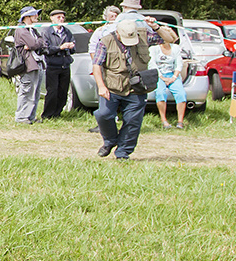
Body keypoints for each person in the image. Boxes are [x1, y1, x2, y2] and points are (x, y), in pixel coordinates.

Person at [91, 15, 177, 159]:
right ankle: (110, 140)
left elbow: (171, 39)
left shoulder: (144, 36)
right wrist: (101, 86)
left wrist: (156, 27)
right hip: (112, 87)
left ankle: (123, 153)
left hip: (136, 88)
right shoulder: (105, 41)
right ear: (118, 33)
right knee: (103, 114)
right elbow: (96, 65)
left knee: (133, 122)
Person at [10, 5, 46, 124]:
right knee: (26, 91)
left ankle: (31, 116)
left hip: (37, 63)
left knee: (35, 92)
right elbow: (34, 44)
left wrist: (36, 43)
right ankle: (21, 117)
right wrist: (35, 44)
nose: (37, 16)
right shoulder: (21, 30)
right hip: (27, 65)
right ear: (27, 16)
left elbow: (41, 42)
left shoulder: (33, 30)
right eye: (35, 14)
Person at [150, 33, 192, 129]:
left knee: (181, 94)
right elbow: (152, 65)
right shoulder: (154, 49)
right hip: (159, 75)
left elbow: (179, 64)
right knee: (160, 93)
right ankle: (164, 120)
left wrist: (174, 77)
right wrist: (162, 77)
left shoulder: (176, 48)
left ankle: (180, 122)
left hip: (173, 75)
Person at [40, 10, 76, 119]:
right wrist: (60, 48)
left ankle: (57, 113)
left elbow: (74, 48)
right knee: (52, 91)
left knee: (63, 91)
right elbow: (45, 50)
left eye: (63, 17)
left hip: (65, 65)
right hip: (53, 66)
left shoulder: (67, 32)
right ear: (52, 18)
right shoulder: (47, 32)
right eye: (58, 17)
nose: (61, 19)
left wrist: (71, 47)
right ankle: (47, 115)